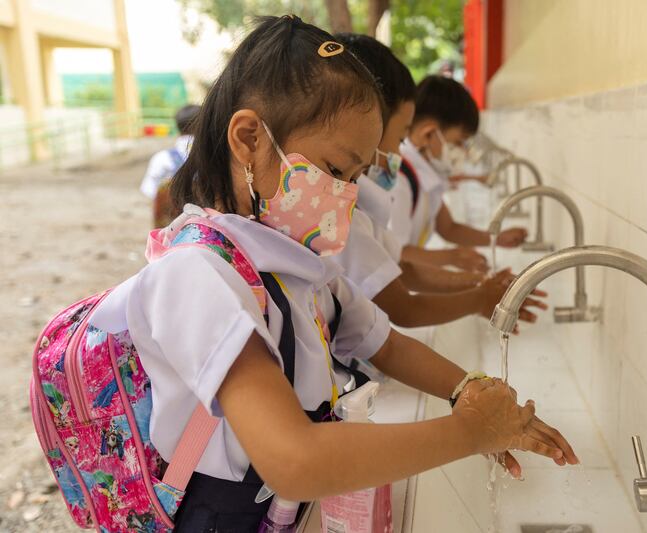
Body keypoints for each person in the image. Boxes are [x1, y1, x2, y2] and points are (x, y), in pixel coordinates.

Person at [90, 17, 577, 531]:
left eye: (359, 176)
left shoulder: (298, 264)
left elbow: (385, 342)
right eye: (337, 170)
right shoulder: (199, 274)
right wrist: (470, 432)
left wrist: (470, 391)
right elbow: (295, 460)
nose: (347, 194)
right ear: (250, 137)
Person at [331, 32, 547, 328]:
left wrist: (482, 284)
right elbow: (405, 305)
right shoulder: (378, 195)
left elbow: (403, 267)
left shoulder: (375, 200)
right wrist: (478, 293)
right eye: (400, 136)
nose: (399, 150)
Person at [391, 76, 529, 272]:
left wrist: (496, 239)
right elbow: (396, 253)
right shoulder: (400, 180)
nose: (462, 152)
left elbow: (448, 228)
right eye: (457, 142)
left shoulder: (425, 177)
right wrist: (452, 257)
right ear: (428, 134)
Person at [139, 104, 200, 228]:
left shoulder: (161, 159)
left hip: (170, 229)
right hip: (207, 230)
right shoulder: (214, 158)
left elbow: (149, 191)